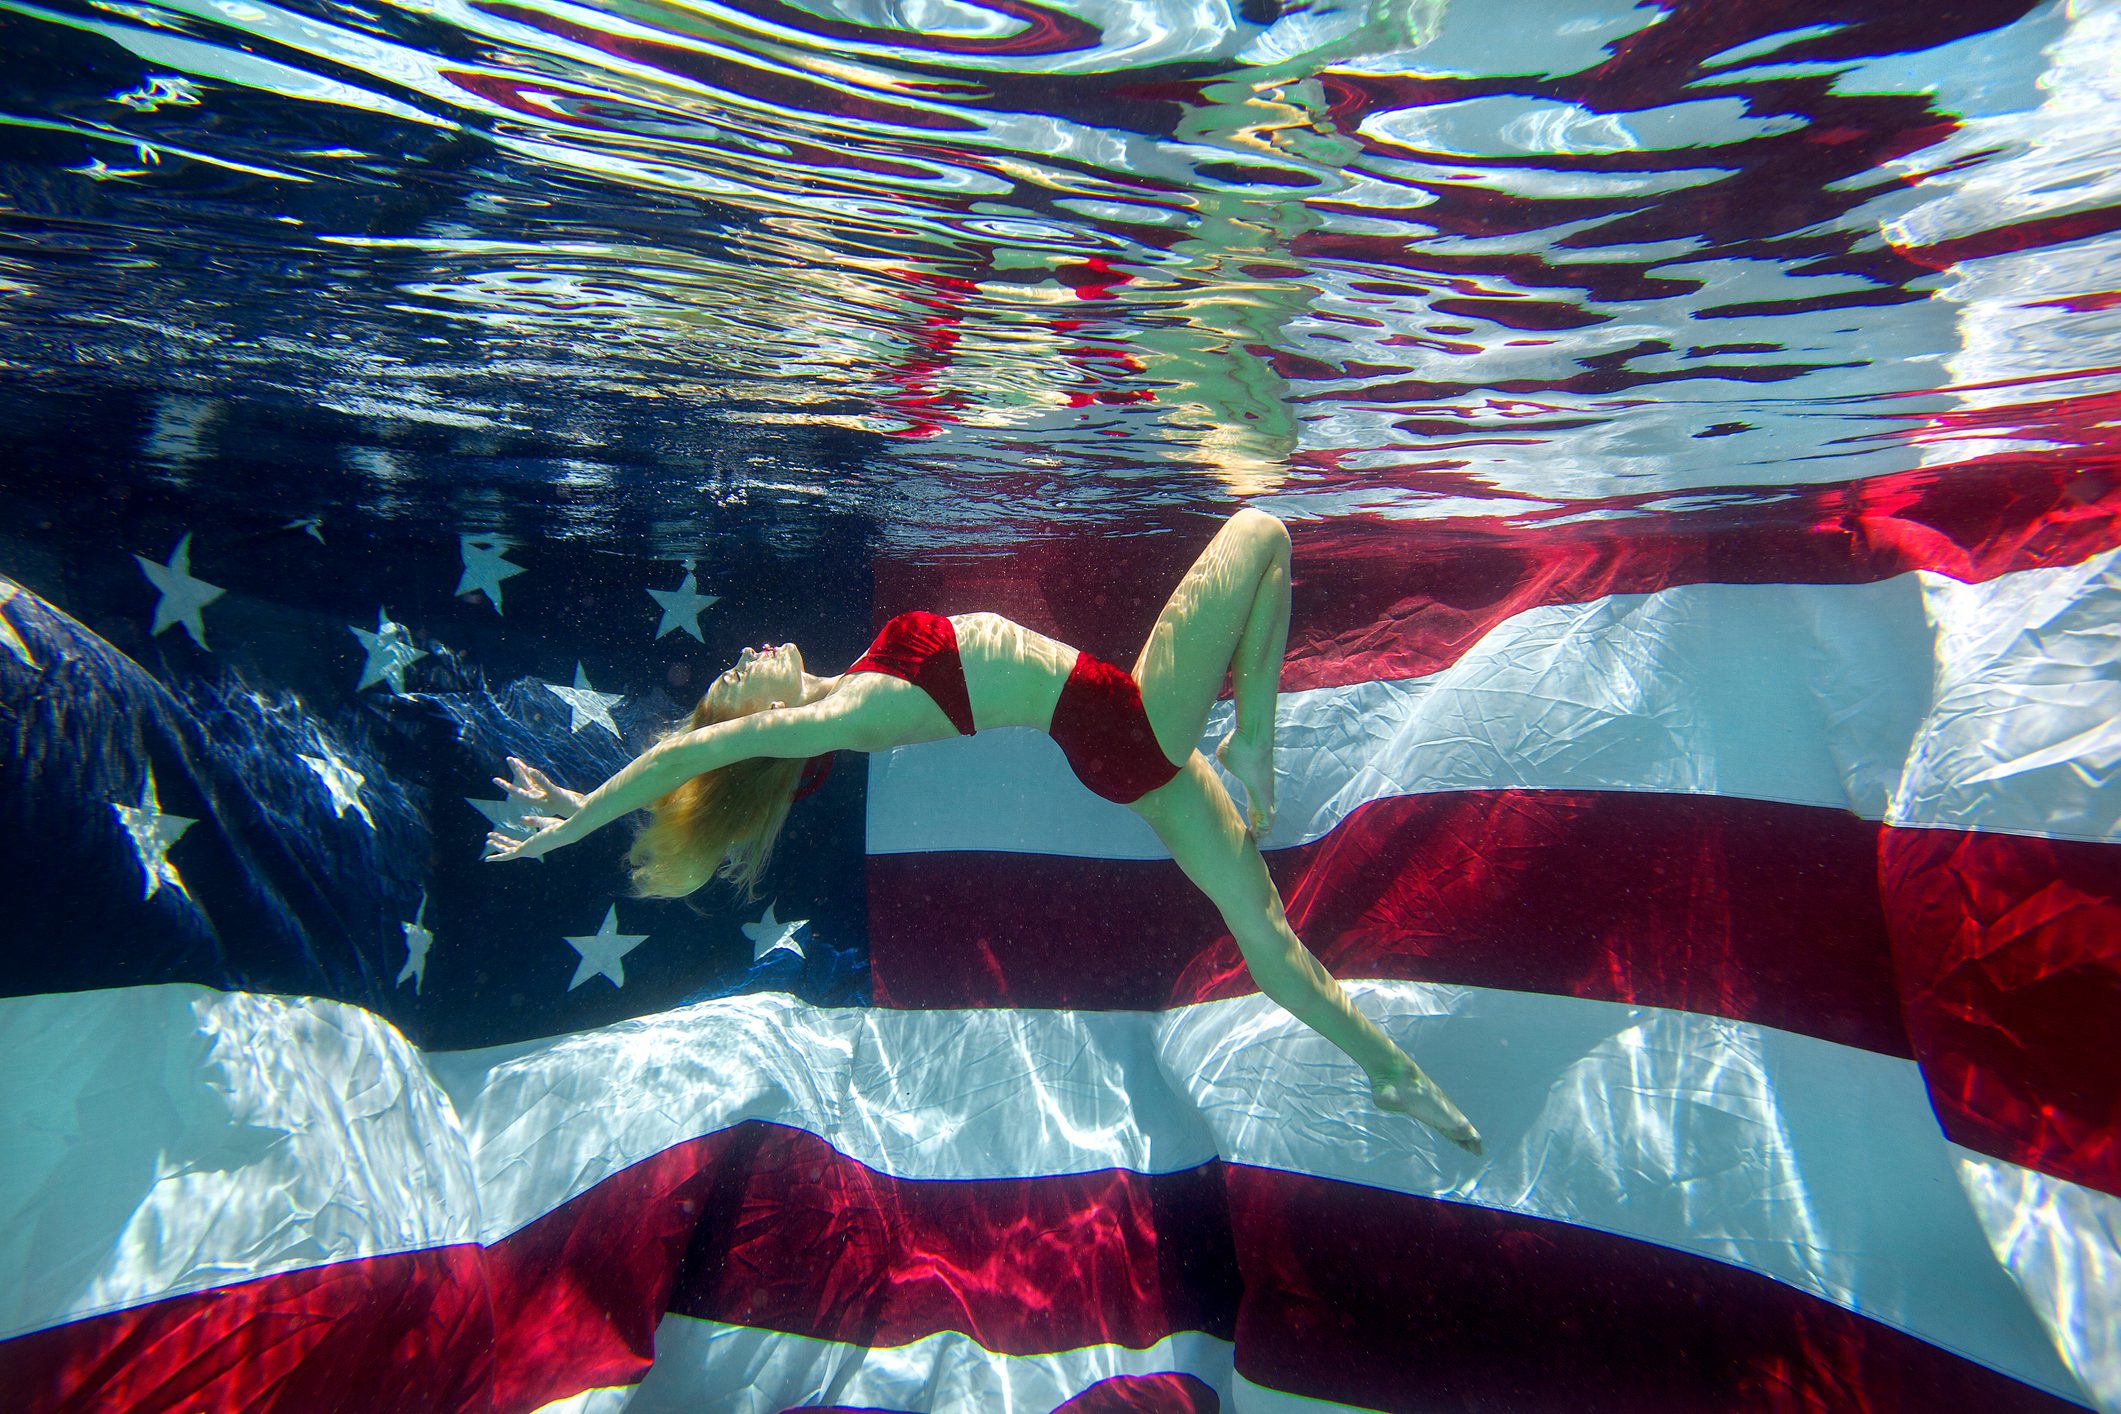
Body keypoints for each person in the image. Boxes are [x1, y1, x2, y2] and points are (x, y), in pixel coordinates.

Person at [486, 508, 1480, 1154]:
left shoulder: (849, 688)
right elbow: (684, 759)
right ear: (753, 729)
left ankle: (1390, 1071)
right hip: (1129, 723)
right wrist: (576, 822)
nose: (744, 654)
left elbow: (709, 749)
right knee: (1261, 530)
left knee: (1262, 923)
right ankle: (1259, 741)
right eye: (733, 680)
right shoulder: (841, 716)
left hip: (1123, 751)